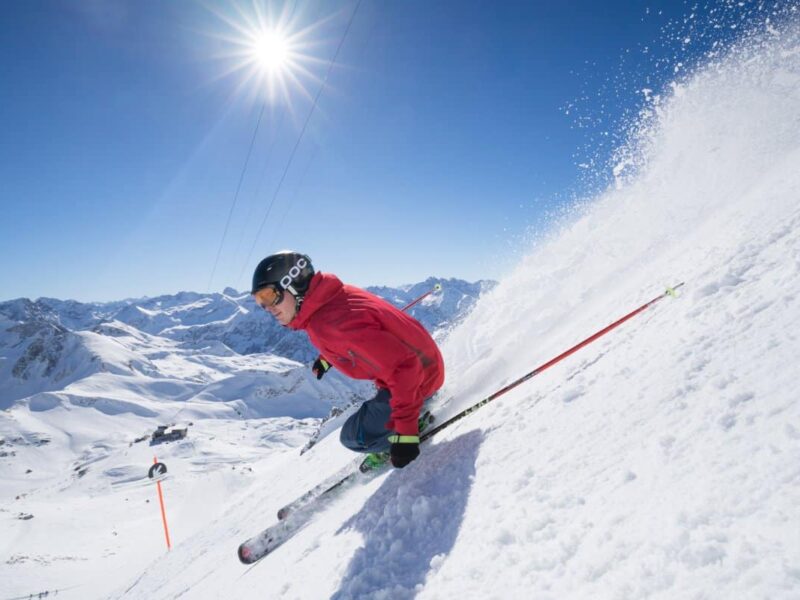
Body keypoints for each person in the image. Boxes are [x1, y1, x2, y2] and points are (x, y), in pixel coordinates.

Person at [251, 250, 445, 469]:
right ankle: (409, 414)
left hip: (419, 378)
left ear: (294, 284)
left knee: (354, 437)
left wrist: (406, 434)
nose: (267, 308)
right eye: (259, 301)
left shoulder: (330, 325)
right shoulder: (333, 297)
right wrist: (328, 357)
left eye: (269, 296)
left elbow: (404, 366)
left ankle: (411, 424)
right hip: (426, 363)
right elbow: (358, 335)